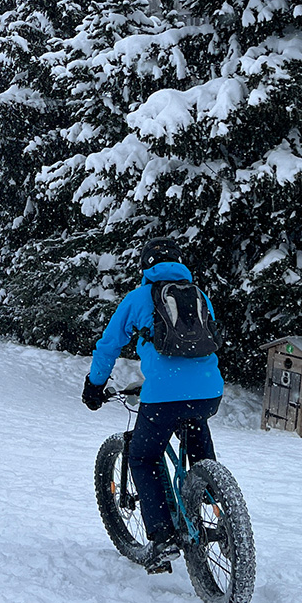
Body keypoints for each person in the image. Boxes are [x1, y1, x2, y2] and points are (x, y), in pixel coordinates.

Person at [82, 237, 224, 574]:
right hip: (208, 393)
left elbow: (108, 345)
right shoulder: (199, 296)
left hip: (163, 395)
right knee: (195, 429)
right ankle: (217, 502)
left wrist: (94, 386)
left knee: (142, 458)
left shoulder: (138, 298)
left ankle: (161, 539)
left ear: (146, 266)